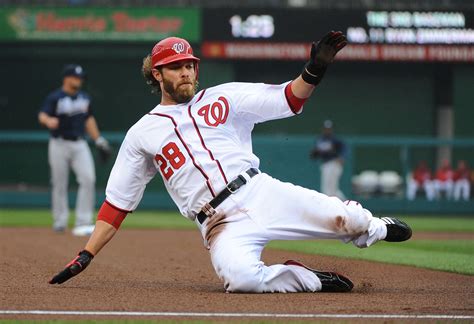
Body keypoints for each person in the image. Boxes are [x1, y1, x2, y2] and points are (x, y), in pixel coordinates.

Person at [49, 33, 412, 293]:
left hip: (258, 191)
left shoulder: (224, 97)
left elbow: (289, 98)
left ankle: (377, 226)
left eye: (190, 64)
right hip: (218, 223)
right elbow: (117, 205)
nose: (187, 72)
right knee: (241, 280)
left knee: (351, 220)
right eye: (176, 67)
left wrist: (313, 70)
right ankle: (310, 279)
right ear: (157, 75)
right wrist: (86, 254)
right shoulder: (141, 133)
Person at [38, 64, 112, 236]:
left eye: (80, 77)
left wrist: (99, 140)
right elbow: (42, 114)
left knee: (88, 179)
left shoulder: (84, 98)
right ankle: (60, 221)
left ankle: (83, 222)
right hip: (59, 143)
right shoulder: (55, 97)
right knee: (59, 183)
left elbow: (89, 120)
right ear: (67, 78)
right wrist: (48, 121)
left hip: (79, 143)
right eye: (75, 77)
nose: (78, 80)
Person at [310, 119, 346, 200]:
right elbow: (314, 155)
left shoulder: (335, 140)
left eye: (329, 129)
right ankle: (345, 205)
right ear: (323, 129)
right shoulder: (319, 140)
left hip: (334, 163)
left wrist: (342, 157)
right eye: (326, 128)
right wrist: (315, 152)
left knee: (331, 190)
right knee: (328, 189)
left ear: (331, 129)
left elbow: (344, 149)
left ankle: (345, 205)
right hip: (325, 164)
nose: (327, 130)